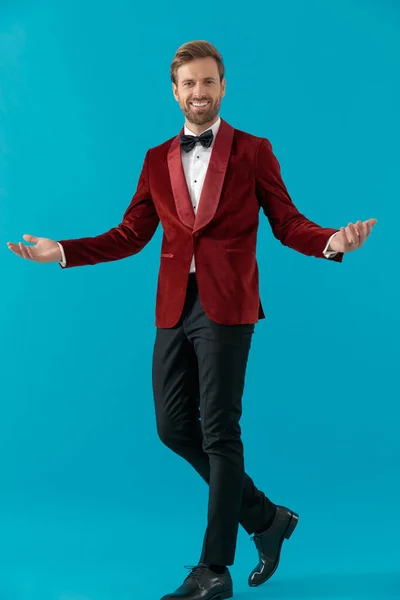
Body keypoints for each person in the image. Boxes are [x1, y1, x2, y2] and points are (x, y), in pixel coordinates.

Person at [7, 40, 377, 600]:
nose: (199, 93)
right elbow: (130, 235)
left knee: (221, 430)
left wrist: (330, 240)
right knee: (173, 426)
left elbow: (286, 222)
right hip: (173, 305)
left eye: (208, 82)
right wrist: (61, 250)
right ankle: (267, 518)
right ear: (175, 91)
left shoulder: (253, 150)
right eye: (189, 84)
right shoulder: (156, 159)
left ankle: (213, 570)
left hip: (228, 305)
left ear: (223, 86)